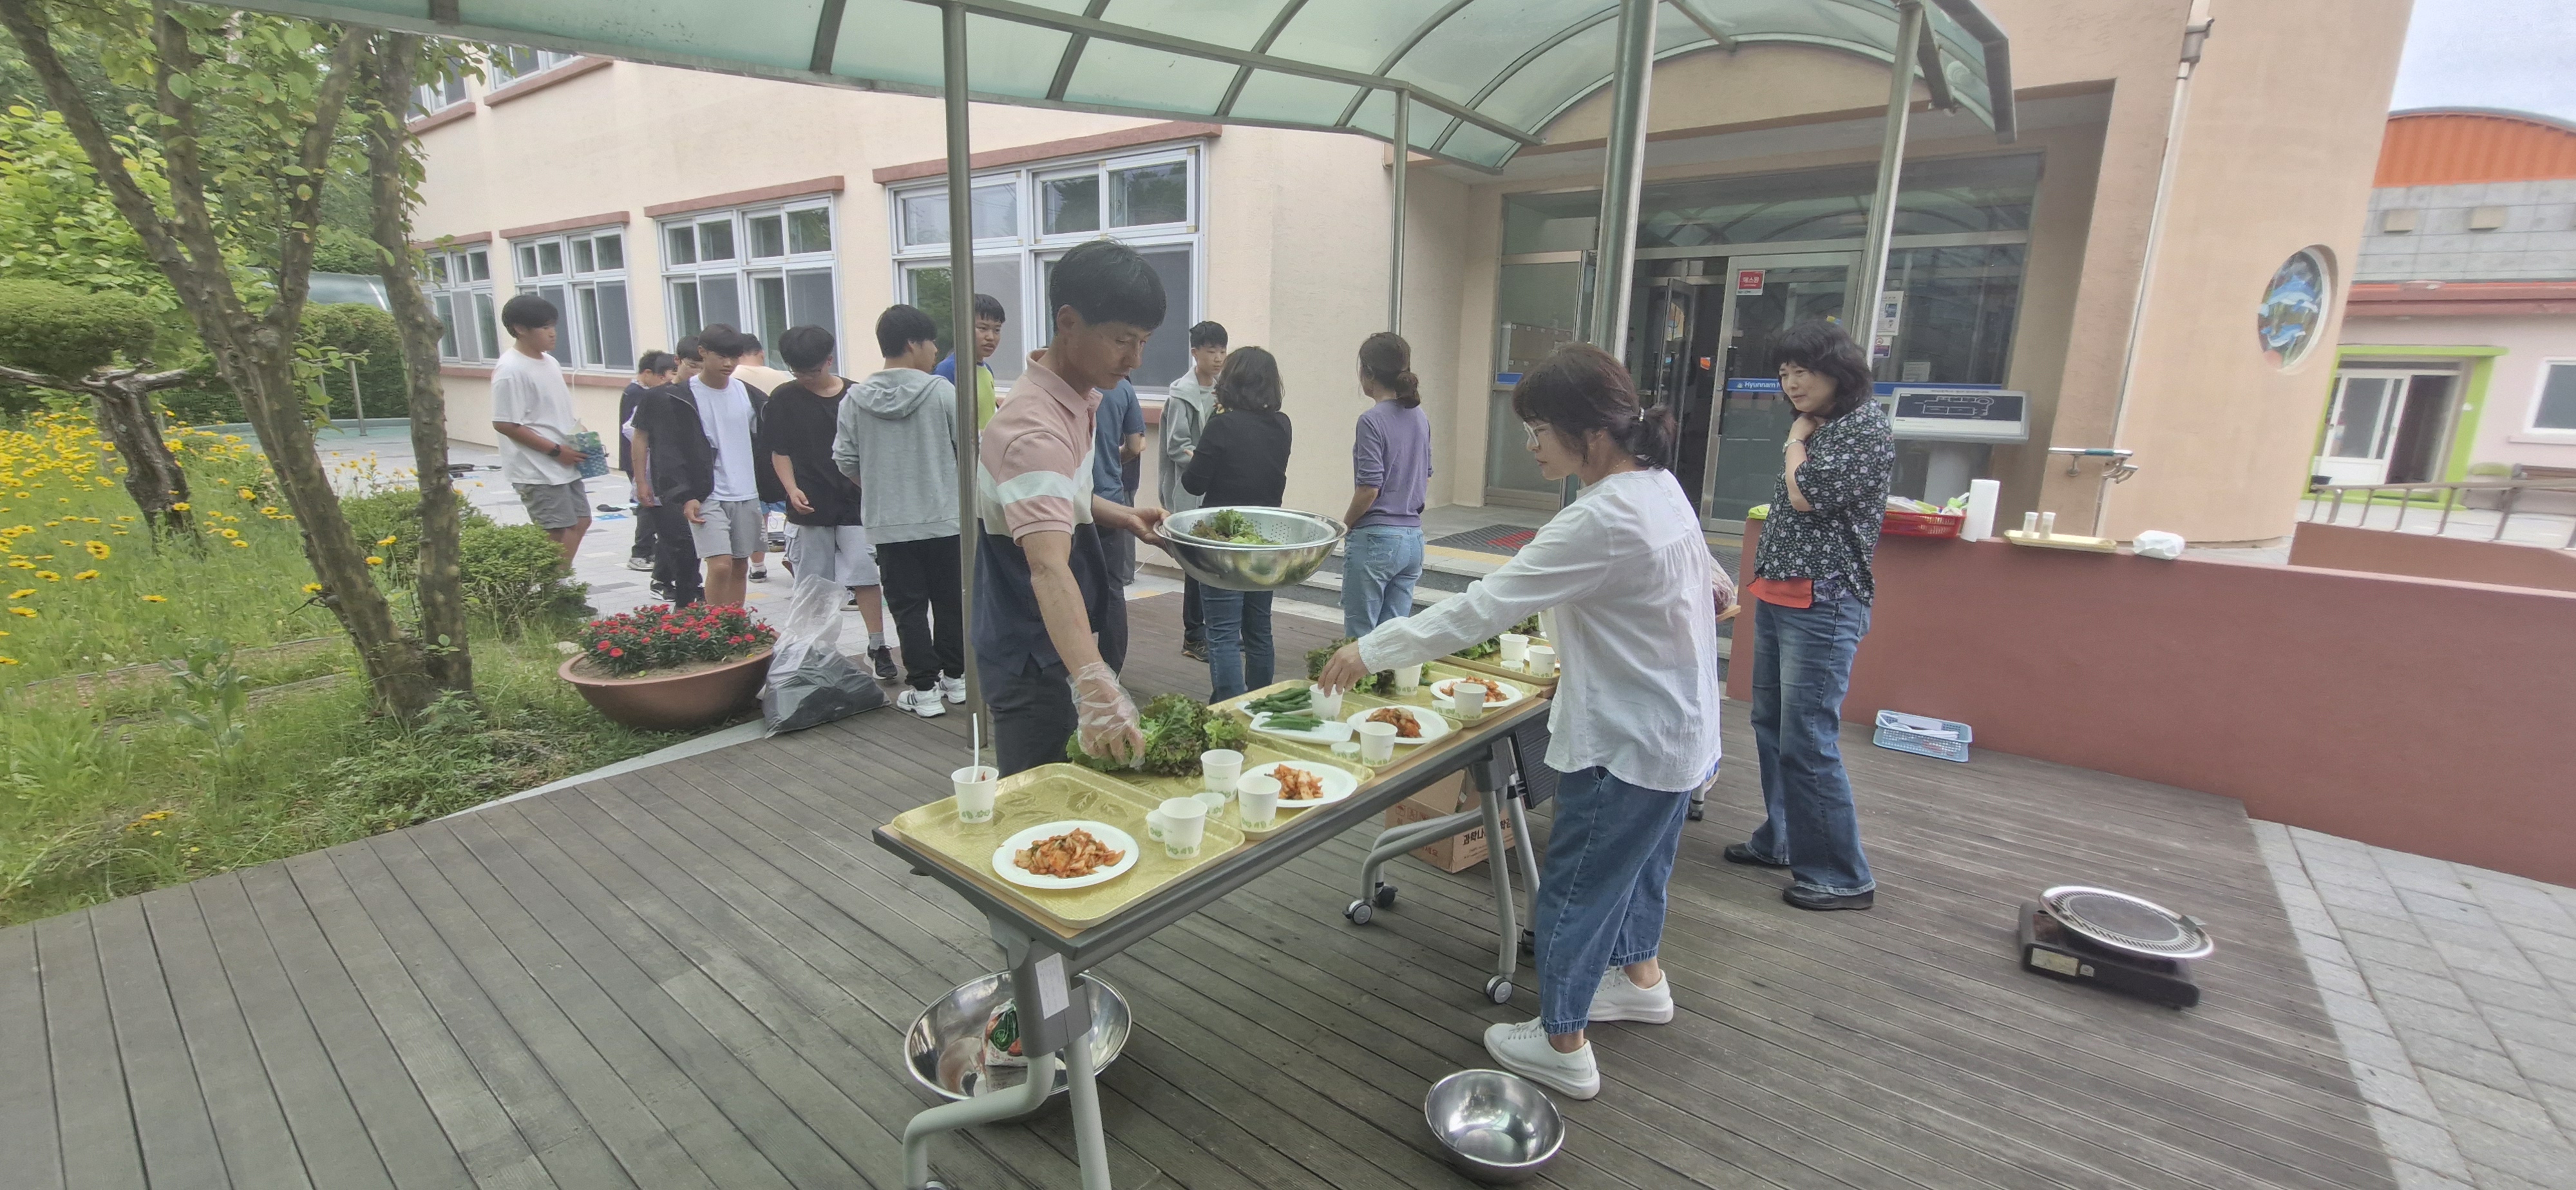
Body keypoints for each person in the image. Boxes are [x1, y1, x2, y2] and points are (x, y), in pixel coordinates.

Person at [1320, 344, 1725, 1101]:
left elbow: (1481, 607)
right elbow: (1704, 573)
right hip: (1680, 733)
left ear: (1588, 433)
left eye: (1538, 429)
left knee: (1575, 887)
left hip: (1628, 740)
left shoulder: (1599, 517)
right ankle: (1641, 979)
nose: (1530, 445)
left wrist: (1366, 648)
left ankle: (1562, 1040)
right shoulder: (1658, 484)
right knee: (1639, 869)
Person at [975, 240, 1167, 775]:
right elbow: (1046, 564)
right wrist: (1096, 687)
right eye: (1121, 340)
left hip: (1051, 640)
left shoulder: (1074, 400)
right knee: (1041, 813)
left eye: (1144, 341)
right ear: (1068, 321)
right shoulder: (1035, 430)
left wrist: (1121, 514)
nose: (1134, 360)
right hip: (1031, 651)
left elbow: (1063, 499)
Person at [1728, 319, 1896, 912]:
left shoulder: (1862, 430)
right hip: (1780, 594)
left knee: (1808, 738)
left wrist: (1794, 439)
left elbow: (1808, 495)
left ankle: (1841, 874)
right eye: (1783, 373)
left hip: (1823, 603)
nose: (1791, 382)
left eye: (1802, 370)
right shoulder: (1825, 429)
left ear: (1837, 371)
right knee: (1771, 727)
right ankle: (1782, 840)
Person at [838, 305, 968, 719]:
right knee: (951, 602)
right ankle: (957, 681)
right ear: (913, 343)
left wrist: (879, 487)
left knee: (908, 608)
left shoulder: (854, 398)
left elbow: (844, 458)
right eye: (931, 343)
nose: (934, 352)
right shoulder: (943, 392)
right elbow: (968, 452)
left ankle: (925, 692)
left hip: (889, 524)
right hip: (946, 520)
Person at [763, 325, 900, 681]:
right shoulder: (783, 399)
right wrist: (791, 489)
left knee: (864, 573)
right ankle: (812, 649)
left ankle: (877, 645)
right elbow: (780, 452)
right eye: (797, 372)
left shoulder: (856, 395)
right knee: (812, 581)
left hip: (856, 500)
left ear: (829, 360)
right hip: (809, 502)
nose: (806, 378)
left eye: (812, 371)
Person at [1182, 347, 1291, 701]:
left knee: (1223, 633)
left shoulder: (1222, 424)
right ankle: (1259, 702)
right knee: (1259, 629)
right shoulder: (1282, 424)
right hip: (1265, 541)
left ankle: (1229, 706)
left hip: (1223, 543)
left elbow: (1194, 484)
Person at [1339, 331, 1433, 638]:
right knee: (1393, 639)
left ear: (1367, 372)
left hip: (1376, 538)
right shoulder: (1420, 417)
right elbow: (1426, 473)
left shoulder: (1371, 420)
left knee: (1360, 640)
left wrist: (1346, 524)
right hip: (1413, 539)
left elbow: (1369, 487)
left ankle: (1359, 689)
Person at [488, 292, 591, 563]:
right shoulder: (510, 370)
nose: (552, 334)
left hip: (564, 461)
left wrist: (581, 439)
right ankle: (551, 593)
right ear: (520, 330)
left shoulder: (550, 362)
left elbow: (552, 411)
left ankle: (561, 586)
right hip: (537, 467)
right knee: (556, 532)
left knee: (580, 522)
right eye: (544, 327)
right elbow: (505, 423)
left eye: (553, 326)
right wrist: (557, 451)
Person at [685, 328, 768, 608]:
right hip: (708, 492)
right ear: (703, 352)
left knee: (740, 564)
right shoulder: (685, 395)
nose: (728, 364)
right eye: (721, 356)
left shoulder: (747, 393)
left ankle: (735, 625)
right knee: (719, 564)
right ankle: (714, 626)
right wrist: (685, 493)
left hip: (745, 489)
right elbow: (672, 449)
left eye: (734, 357)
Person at [1158, 321, 1226, 661]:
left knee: (1215, 561)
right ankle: (1193, 635)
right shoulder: (1181, 392)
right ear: (1195, 352)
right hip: (1190, 490)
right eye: (1210, 350)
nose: (1217, 358)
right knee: (1196, 563)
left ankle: (1216, 633)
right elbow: (1177, 447)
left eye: (1222, 351)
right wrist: (1210, 463)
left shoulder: (1223, 390)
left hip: (1215, 490)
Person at [629, 335, 712, 607]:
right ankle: (683, 600)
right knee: (679, 543)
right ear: (677, 362)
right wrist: (641, 481)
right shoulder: (656, 397)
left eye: (703, 366)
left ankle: (692, 596)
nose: (697, 372)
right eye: (692, 365)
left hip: (703, 483)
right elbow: (640, 438)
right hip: (667, 483)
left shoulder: (708, 394)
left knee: (700, 545)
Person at [731, 335, 793, 583]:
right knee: (790, 503)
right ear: (762, 353)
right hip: (781, 449)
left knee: (758, 511)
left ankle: (757, 566)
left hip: (747, 453)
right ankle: (792, 552)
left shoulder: (731, 378)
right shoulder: (781, 377)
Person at [620, 350, 679, 572]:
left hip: (647, 461)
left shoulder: (639, 392)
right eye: (667, 375)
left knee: (653, 509)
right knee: (649, 508)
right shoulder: (640, 394)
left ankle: (650, 551)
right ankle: (642, 552)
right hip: (642, 462)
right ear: (648, 374)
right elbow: (632, 430)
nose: (669, 381)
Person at [1092, 373, 1146, 587]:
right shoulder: (1123, 388)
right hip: (1110, 494)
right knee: (1112, 586)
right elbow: (1135, 446)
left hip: (1070, 502)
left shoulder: (1067, 386)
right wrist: (1113, 458)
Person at [934, 292, 1005, 429]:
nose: (991, 337)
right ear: (963, 327)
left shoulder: (987, 370)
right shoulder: (949, 369)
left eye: (997, 330)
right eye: (983, 328)